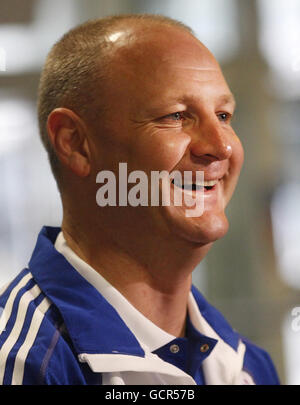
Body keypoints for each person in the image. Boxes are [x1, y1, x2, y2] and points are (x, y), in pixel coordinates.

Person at [0, 14, 279, 385]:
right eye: (176, 116)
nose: (221, 146)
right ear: (75, 143)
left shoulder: (248, 366)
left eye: (224, 115)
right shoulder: (22, 362)